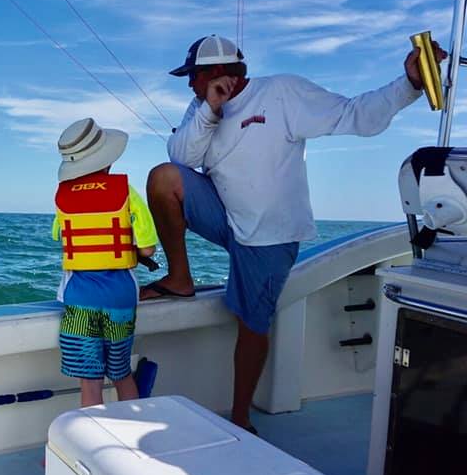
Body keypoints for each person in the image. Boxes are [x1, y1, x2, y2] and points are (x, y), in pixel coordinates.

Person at [140, 34, 445, 432]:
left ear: (216, 72)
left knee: (252, 323)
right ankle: (180, 279)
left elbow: (355, 115)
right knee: (163, 179)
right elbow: (182, 157)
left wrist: (411, 84)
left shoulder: (282, 92)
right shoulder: (200, 107)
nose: (189, 84)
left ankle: (239, 417)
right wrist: (210, 110)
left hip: (269, 236)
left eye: (193, 76)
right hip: (226, 217)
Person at [53, 117, 158, 407]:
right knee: (121, 372)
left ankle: (90, 446)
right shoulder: (126, 192)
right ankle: (135, 425)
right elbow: (148, 249)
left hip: (80, 298)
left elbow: (60, 235)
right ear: (108, 160)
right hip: (121, 298)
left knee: (90, 380)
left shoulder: (62, 198)